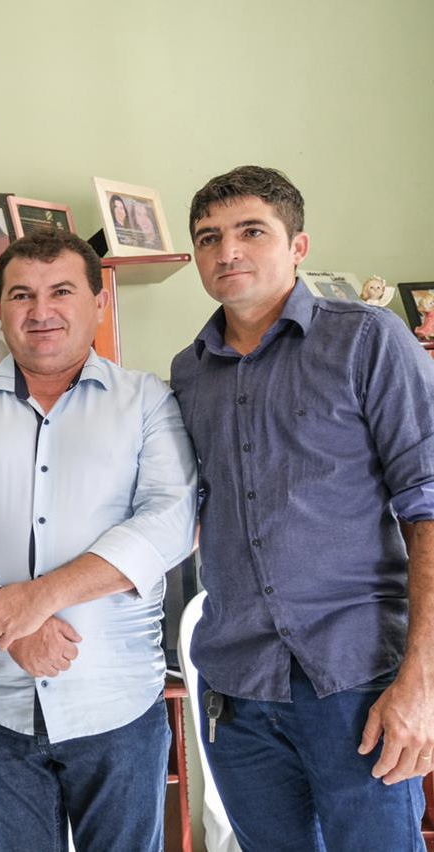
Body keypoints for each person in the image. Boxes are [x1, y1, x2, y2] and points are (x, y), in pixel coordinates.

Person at [0, 229, 197, 852]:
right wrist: (9, 624)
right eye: (21, 295)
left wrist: (38, 599)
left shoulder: (147, 401)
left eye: (61, 291)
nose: (40, 311)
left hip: (116, 701)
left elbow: (170, 519)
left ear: (99, 302)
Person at [170, 165, 434, 851]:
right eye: (208, 238)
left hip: (355, 683)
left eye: (250, 231)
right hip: (235, 689)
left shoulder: (368, 340)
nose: (226, 252)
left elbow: (426, 505)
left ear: (298, 245)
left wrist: (422, 683)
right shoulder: (186, 373)